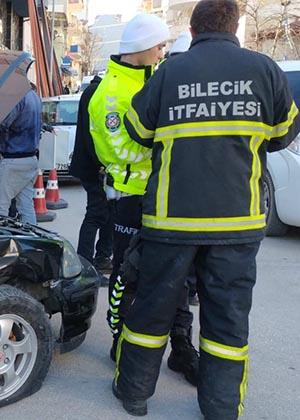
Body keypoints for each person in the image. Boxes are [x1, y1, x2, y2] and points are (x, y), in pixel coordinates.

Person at [112, 1, 300, 418]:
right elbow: (284, 134)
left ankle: (134, 395)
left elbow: (137, 130)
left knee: (152, 308)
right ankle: (220, 408)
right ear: (237, 27)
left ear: (193, 31)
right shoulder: (265, 70)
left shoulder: (170, 72)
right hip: (237, 223)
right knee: (227, 319)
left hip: (170, 221)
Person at [89, 14, 198, 384]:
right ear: (141, 48)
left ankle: (182, 346)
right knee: (126, 272)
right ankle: (119, 339)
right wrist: (166, 148)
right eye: (158, 45)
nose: (162, 51)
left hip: (168, 194)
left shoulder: (156, 77)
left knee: (179, 272)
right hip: (130, 198)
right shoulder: (110, 92)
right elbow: (117, 149)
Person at [70, 74, 114, 273]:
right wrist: (100, 164)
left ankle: (102, 257)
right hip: (94, 167)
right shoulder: (96, 93)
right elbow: (92, 134)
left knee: (108, 214)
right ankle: (85, 263)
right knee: (96, 214)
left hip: (97, 166)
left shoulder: (95, 91)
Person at [0, 84, 42, 225]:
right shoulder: (35, 97)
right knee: (26, 206)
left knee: (0, 207)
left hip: (13, 158)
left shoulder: (17, 99)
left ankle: (1, 242)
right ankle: (32, 239)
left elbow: (3, 125)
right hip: (30, 158)